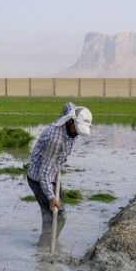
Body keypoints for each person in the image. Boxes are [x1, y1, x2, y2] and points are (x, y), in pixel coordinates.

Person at [27, 102, 92, 246]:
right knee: (58, 216)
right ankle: (45, 247)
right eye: (77, 129)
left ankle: (50, 240)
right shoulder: (56, 140)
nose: (77, 133)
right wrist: (51, 197)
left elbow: (68, 105)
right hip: (39, 179)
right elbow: (44, 172)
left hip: (53, 173)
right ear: (70, 122)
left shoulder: (71, 120)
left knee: (52, 214)